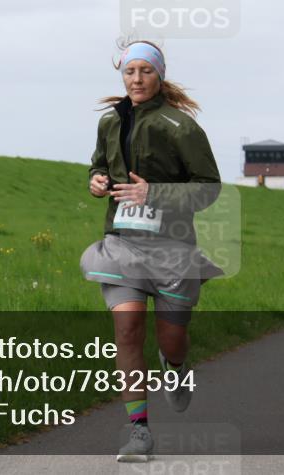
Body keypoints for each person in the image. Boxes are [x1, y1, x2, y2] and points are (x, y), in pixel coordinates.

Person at [81, 41, 222, 462]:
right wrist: (97, 181)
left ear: (159, 75)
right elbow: (97, 164)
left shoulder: (181, 127)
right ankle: (138, 430)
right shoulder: (110, 122)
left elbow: (209, 188)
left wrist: (153, 192)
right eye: (130, 72)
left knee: (172, 339)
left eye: (145, 71)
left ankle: (175, 368)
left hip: (173, 249)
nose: (137, 79)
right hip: (122, 243)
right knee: (126, 330)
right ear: (121, 76)